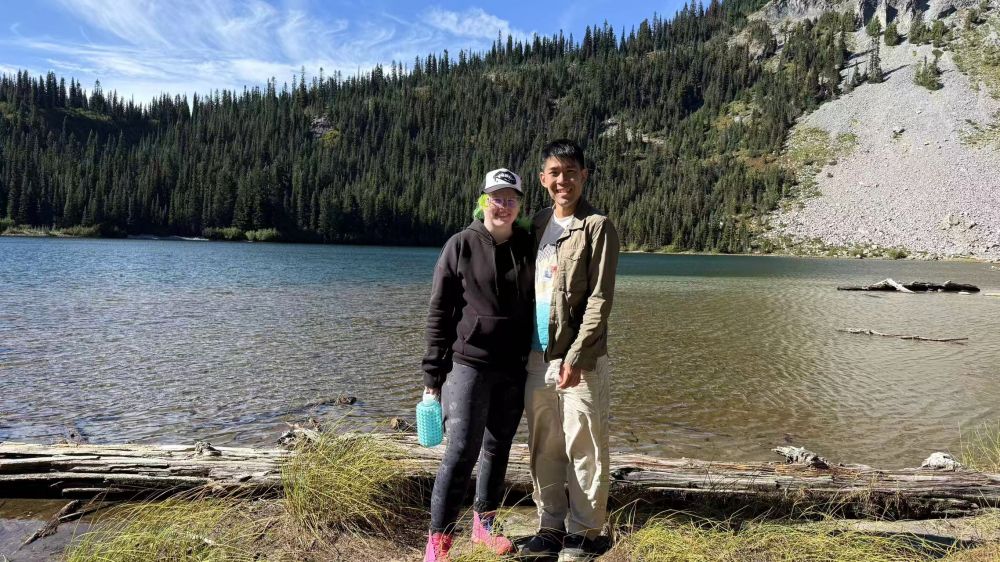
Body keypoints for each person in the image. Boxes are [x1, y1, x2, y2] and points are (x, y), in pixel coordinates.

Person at [421, 168, 534, 562]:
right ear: (484, 201)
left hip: (514, 367)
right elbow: (439, 312)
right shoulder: (460, 245)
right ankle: (438, 541)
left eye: (511, 199)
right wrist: (432, 375)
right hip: (468, 364)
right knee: (460, 451)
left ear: (519, 205)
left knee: (497, 448)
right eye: (496, 198)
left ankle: (484, 525)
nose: (504, 205)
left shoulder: (528, 247)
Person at [520, 139, 620, 562]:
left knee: (585, 447)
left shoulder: (597, 226)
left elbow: (600, 299)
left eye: (571, 172)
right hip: (535, 357)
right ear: (543, 179)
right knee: (544, 446)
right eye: (555, 173)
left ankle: (584, 533)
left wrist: (577, 357)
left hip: (580, 359)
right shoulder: (538, 223)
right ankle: (550, 527)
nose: (564, 180)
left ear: (584, 176)